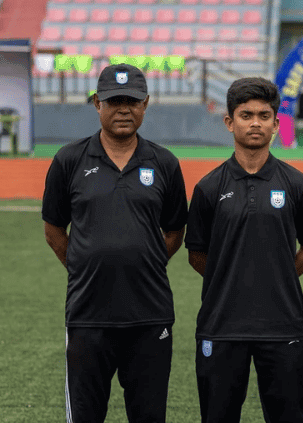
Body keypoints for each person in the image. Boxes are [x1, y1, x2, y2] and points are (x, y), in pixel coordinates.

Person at [42, 63, 188, 422]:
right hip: (88, 316)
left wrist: (146, 261)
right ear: (97, 103)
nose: (124, 109)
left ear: (146, 104)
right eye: (114, 101)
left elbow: (175, 231)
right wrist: (83, 264)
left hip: (150, 315)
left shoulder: (165, 163)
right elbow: (54, 229)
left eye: (132, 101)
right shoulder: (69, 160)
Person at [184, 77, 303, 423]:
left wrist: (278, 276)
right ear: (229, 122)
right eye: (246, 115)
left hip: (282, 325)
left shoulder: (297, 184)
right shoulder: (208, 187)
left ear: (276, 124)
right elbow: (196, 254)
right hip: (221, 324)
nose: (255, 123)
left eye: (264, 116)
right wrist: (227, 278)